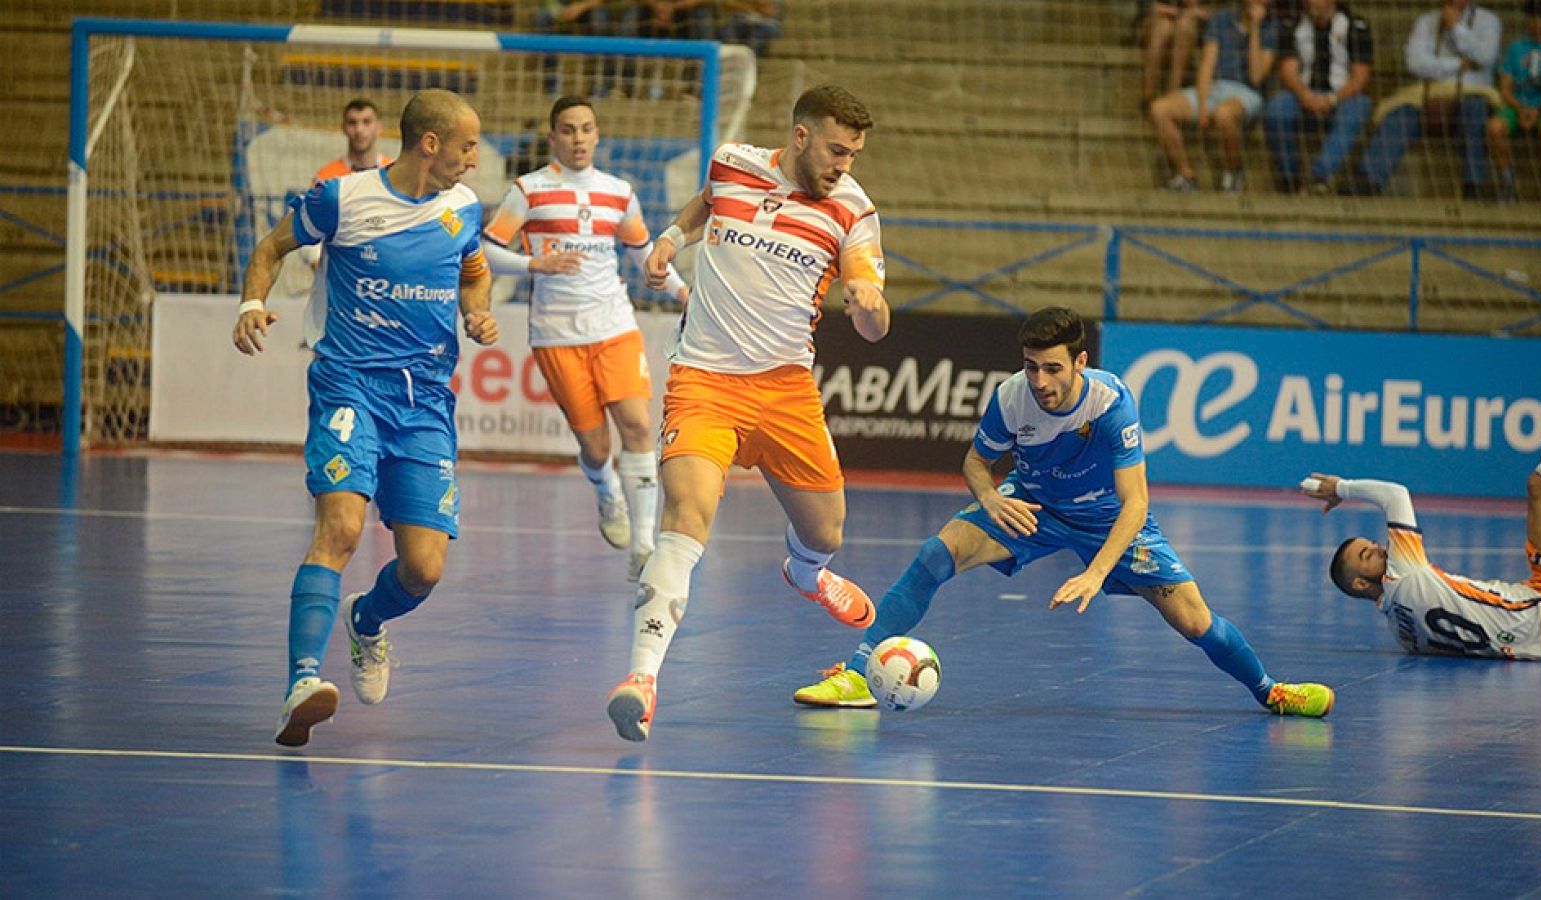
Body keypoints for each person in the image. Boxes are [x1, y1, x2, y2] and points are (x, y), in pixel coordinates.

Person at [792, 306, 1336, 719]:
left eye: (1053, 368)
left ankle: (1271, 692)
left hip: (1109, 519)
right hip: (1033, 505)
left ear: (1081, 362)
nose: (1041, 382)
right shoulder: (1012, 397)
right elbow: (976, 463)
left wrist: (1096, 572)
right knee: (937, 554)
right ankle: (860, 674)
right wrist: (990, 500)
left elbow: (1136, 502)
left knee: (1194, 620)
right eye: (1031, 368)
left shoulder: (1110, 403)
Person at [605, 85, 892, 742]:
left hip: (786, 390)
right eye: (836, 150)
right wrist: (673, 237)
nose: (844, 165)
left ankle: (806, 572)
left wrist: (869, 303)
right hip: (704, 381)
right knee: (684, 520)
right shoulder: (732, 161)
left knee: (827, 532)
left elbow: (874, 316)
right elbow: (709, 202)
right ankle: (641, 679)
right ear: (800, 137)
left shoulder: (852, 211)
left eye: (853, 154)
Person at [232, 88, 499, 747]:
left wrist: (477, 309)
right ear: (430, 144)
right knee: (342, 528)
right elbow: (271, 248)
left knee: (424, 569)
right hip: (350, 384)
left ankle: (367, 621)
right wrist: (249, 304)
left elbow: (474, 271)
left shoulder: (463, 209)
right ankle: (300, 682)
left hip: (426, 400)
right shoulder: (343, 199)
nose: (475, 159)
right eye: (467, 145)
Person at [480, 96, 690, 580]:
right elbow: (486, 250)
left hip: (614, 323)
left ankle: (642, 546)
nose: (578, 138)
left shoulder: (619, 192)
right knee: (595, 447)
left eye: (587, 129)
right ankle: (605, 491)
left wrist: (682, 292)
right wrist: (536, 263)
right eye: (569, 130)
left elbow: (640, 251)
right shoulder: (529, 192)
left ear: (598, 136)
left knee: (638, 425)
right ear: (553, 138)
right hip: (555, 332)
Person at [1304, 321, 1541, 661]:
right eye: (1367, 554)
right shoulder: (1403, 574)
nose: (1380, 548)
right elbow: (1396, 494)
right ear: (1359, 584)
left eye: (1371, 545)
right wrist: (1341, 488)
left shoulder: (1402, 634)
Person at [1347, 1, 1502, 198]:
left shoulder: (1489, 21)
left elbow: (1485, 57)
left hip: (1471, 93)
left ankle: (1474, 185)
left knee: (1476, 108)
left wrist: (1456, 28)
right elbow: (1415, 63)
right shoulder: (1426, 21)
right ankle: (1368, 179)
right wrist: (1458, 64)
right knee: (1400, 113)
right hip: (1429, 95)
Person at [1147, 0, 1278, 191]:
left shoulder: (1272, 28)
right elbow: (1207, 65)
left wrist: (1256, 28)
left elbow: (1256, 76)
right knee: (1159, 109)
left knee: (1223, 114)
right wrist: (1201, 106)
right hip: (1215, 88)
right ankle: (1187, 175)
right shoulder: (1222, 19)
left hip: (1247, 94)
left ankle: (1234, 174)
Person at [1262, 0, 1374, 194]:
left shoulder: (1356, 26)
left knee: (1361, 106)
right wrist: (1305, 95)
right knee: (1276, 110)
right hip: (1302, 95)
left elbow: (1360, 77)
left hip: (1342, 97)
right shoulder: (1292, 24)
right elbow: (1288, 72)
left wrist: (1332, 99)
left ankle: (1319, 177)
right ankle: (1289, 178)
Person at [1487, 0, 1541, 201]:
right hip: (1516, 106)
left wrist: (1540, 109)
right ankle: (1506, 181)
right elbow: (1505, 87)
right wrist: (1521, 109)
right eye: (1534, 17)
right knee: (1494, 127)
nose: (1538, 23)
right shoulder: (1516, 47)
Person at [1138, 1, 1213, 108]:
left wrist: (1195, 12)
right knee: (1163, 28)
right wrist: (1181, 12)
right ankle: (1148, 95)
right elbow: (1152, 8)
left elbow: (1210, 13)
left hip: (1190, 27)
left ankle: (1172, 93)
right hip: (1156, 23)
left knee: (1184, 26)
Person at [312, 98, 392, 185]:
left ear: (379, 127)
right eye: (352, 123)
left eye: (366, 122)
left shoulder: (395, 172)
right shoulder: (325, 178)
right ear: (343, 128)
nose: (359, 130)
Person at [720, 0, 784, 58]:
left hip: (767, 23)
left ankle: (751, 60)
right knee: (729, 29)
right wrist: (753, 7)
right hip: (742, 21)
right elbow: (729, 4)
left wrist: (753, 6)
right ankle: (731, 57)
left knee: (756, 32)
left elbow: (770, 12)